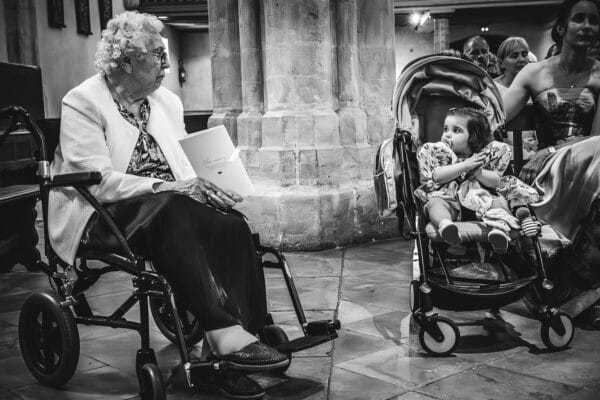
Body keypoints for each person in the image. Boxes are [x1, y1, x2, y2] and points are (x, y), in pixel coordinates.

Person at [48, 11, 287, 398]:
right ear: (125, 61)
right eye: (157, 55)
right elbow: (101, 182)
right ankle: (224, 336)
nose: (166, 63)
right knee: (174, 207)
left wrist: (212, 182)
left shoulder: (168, 102)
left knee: (232, 221)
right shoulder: (82, 102)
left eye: (166, 55)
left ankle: (242, 334)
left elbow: (184, 162)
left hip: (166, 205)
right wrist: (169, 186)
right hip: (102, 212)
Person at [503, 0, 600, 327]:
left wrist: (554, 148)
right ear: (562, 28)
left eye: (594, 21)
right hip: (545, 174)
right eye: (579, 19)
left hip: (589, 164)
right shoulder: (535, 73)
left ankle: (581, 287)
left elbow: (598, 138)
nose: (587, 26)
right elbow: (496, 116)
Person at [415, 107, 539, 255]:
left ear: (474, 136)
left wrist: (479, 173)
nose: (447, 135)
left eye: (456, 131)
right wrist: (464, 166)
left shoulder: (486, 155)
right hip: (450, 202)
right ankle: (446, 226)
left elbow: (496, 181)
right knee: (434, 203)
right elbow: (437, 176)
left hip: (481, 202)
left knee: (498, 202)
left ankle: (499, 230)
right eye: (446, 129)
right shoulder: (440, 153)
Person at [494, 36, 538, 160]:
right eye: (514, 56)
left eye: (524, 54)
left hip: (535, 152)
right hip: (505, 153)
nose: (521, 59)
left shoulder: (535, 86)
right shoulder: (492, 89)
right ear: (501, 62)